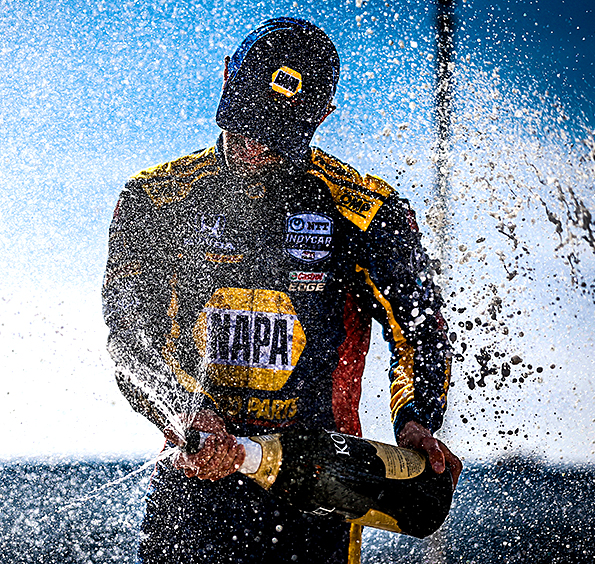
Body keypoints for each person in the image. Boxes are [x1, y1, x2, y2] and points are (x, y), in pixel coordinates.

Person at [102, 17, 462, 564]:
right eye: (243, 121)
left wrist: (416, 420)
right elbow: (129, 339)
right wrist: (185, 415)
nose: (253, 145)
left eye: (274, 136)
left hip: (317, 482)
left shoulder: (366, 211)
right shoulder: (153, 200)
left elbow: (419, 327)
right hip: (194, 473)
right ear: (227, 78)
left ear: (321, 116)